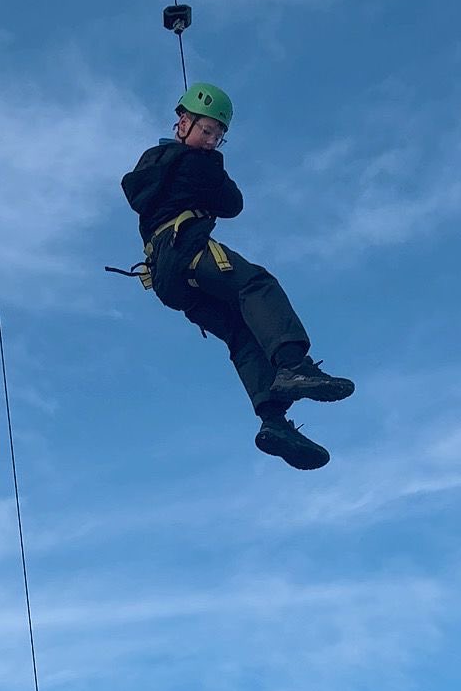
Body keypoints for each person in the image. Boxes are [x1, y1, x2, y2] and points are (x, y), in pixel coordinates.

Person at [120, 82, 354, 470]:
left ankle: (274, 422)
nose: (212, 140)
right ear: (183, 121)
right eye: (207, 130)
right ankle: (293, 364)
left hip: (165, 278)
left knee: (242, 332)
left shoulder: (152, 165)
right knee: (255, 284)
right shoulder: (197, 164)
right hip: (186, 247)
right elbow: (233, 204)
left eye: (218, 135)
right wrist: (212, 170)